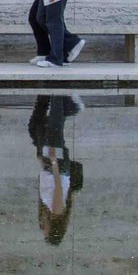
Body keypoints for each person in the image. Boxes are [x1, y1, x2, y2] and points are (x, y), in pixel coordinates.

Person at [28, 94, 85, 243]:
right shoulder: (57, 212)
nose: (43, 231)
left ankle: (47, 95)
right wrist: (53, 161)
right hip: (57, 165)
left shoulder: (48, 213)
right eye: (46, 234)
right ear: (52, 230)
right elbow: (58, 188)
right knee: (54, 128)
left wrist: (42, 163)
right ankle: (58, 94)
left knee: (35, 128)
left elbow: (47, 187)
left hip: (50, 166)